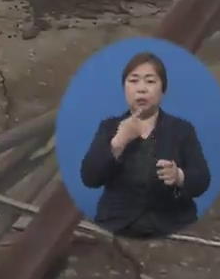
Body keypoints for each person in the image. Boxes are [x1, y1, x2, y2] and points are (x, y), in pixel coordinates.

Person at [80, 52, 211, 238]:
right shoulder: (109, 127)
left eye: (150, 81)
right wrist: (118, 142)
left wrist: (179, 176)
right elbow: (89, 178)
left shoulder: (182, 129)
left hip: (172, 225)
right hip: (117, 225)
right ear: (124, 88)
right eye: (133, 81)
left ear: (162, 89)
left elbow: (202, 180)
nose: (141, 89)